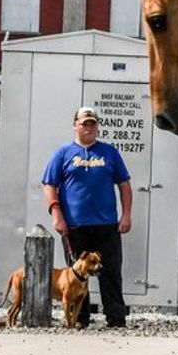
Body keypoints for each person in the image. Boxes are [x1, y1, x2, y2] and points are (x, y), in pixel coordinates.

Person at [43, 106, 132, 328]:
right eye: (84, 124)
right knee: (77, 275)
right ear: (75, 126)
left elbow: (124, 185)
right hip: (75, 226)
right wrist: (56, 213)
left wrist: (126, 215)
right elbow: (49, 185)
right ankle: (80, 319)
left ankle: (116, 318)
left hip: (106, 225)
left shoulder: (110, 153)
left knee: (110, 272)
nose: (89, 128)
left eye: (92, 124)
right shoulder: (63, 154)